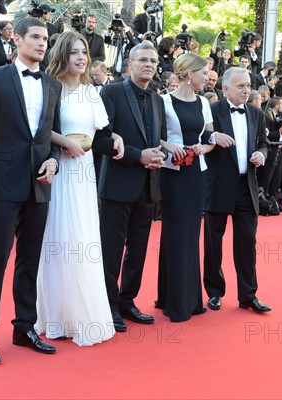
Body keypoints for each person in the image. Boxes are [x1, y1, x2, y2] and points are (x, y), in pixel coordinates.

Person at [0, 17, 61, 365]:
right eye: (35, 37)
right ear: (17, 40)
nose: (42, 43)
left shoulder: (52, 85)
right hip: (2, 187)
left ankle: (24, 326)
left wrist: (53, 161)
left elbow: (52, 135)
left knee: (30, 260)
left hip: (39, 186)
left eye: (46, 38)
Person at [33, 31, 123, 346]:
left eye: (83, 52)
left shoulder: (91, 91)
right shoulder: (50, 87)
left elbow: (101, 132)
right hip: (59, 171)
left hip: (84, 173)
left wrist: (116, 138)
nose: (81, 58)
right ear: (62, 55)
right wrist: (64, 142)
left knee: (84, 238)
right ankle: (57, 317)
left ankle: (84, 313)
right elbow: (42, 130)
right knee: (59, 238)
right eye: (74, 53)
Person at [92, 41, 167, 332]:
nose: (149, 64)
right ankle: (108, 305)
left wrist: (160, 154)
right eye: (143, 60)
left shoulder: (158, 99)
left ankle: (127, 300)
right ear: (130, 64)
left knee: (137, 250)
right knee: (111, 251)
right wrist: (139, 156)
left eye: (154, 61)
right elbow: (100, 139)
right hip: (117, 185)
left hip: (149, 186)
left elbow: (155, 140)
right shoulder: (110, 92)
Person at [203, 67, 271, 313]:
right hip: (218, 186)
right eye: (241, 86)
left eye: (248, 86)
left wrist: (260, 155)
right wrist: (213, 138)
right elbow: (200, 137)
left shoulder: (256, 113)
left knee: (246, 244)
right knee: (213, 243)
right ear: (225, 89)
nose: (246, 90)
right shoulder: (211, 111)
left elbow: (264, 144)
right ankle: (214, 292)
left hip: (246, 186)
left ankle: (248, 295)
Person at [155, 53, 214, 322]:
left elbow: (209, 135)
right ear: (189, 74)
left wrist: (206, 146)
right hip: (173, 174)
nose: (206, 77)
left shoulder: (204, 103)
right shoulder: (164, 102)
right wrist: (169, 147)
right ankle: (174, 300)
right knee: (175, 233)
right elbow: (153, 134)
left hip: (197, 174)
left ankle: (187, 297)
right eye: (203, 73)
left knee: (191, 234)